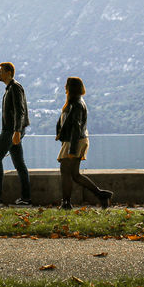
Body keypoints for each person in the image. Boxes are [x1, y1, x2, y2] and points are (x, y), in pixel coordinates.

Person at [56, 77, 113, 209]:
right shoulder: (74, 102)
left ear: (71, 88)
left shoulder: (76, 104)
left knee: (65, 172)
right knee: (75, 175)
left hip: (75, 141)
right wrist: (60, 133)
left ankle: (66, 203)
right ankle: (101, 195)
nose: (64, 87)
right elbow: (66, 122)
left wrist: (72, 149)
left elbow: (76, 127)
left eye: (66, 85)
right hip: (76, 140)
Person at [0, 62, 32, 206]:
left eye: (1, 71)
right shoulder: (10, 88)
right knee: (19, 164)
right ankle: (26, 198)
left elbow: (20, 111)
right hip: (12, 130)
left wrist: (17, 131)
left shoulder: (15, 87)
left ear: (9, 72)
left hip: (11, 131)